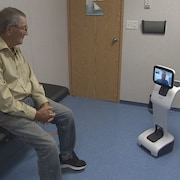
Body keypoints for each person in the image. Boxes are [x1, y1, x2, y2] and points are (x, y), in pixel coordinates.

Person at [0, 7, 86, 180]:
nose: (27, 32)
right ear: (10, 30)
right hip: (7, 111)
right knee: (48, 146)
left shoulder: (15, 48)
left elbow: (32, 79)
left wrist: (44, 103)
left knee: (66, 115)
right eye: (24, 28)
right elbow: (5, 102)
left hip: (29, 99)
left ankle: (66, 157)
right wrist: (36, 114)